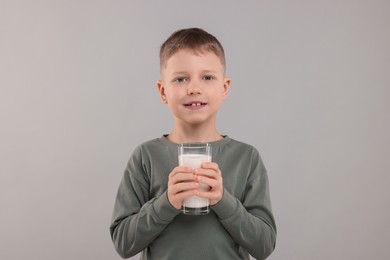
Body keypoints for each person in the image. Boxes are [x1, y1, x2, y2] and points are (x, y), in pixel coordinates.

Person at [110, 28, 277, 260]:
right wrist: (166, 203)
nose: (194, 88)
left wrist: (223, 200)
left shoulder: (246, 158)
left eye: (207, 77)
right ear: (163, 91)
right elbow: (123, 243)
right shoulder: (145, 156)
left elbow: (264, 245)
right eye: (180, 79)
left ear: (224, 87)